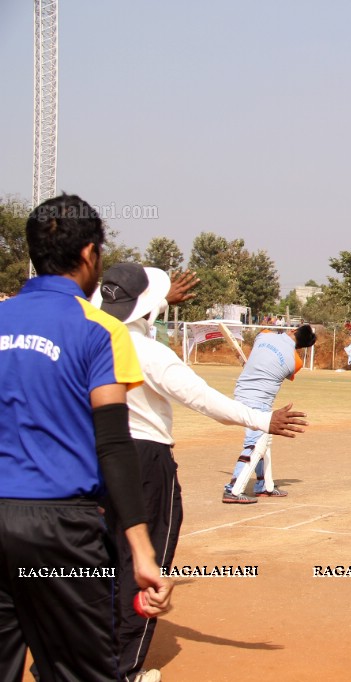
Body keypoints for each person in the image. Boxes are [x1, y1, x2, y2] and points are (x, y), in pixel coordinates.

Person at [93, 263, 309, 681]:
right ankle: (123, 672)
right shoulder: (150, 353)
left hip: (92, 457)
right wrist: (263, 421)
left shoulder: (85, 338)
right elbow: (202, 398)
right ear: (151, 309)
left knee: (100, 564)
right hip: (144, 461)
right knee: (144, 561)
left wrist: (154, 302)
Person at [0, 194, 172, 681]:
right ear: (90, 254)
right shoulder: (99, 329)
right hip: (61, 528)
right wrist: (141, 548)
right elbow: (114, 443)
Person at [223, 324, 317, 503]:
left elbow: (260, 359)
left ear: (294, 330)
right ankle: (233, 489)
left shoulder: (264, 335)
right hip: (257, 400)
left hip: (243, 392)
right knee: (255, 443)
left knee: (264, 440)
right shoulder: (295, 363)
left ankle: (264, 486)